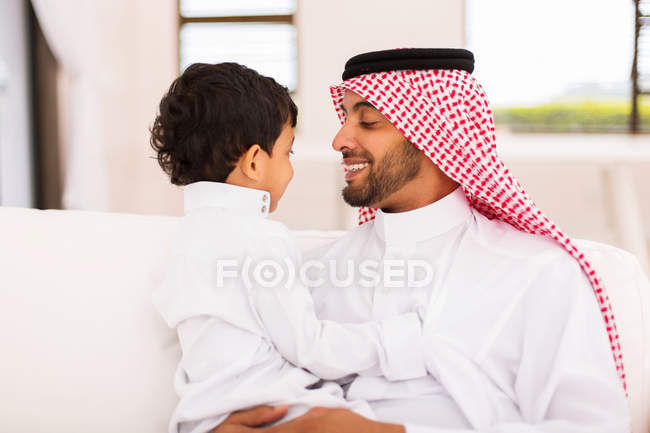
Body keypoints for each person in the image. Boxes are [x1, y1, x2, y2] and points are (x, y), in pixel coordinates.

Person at [213, 49, 635, 433]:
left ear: (436, 132)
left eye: (368, 119)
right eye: (344, 118)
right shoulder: (313, 271)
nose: (339, 139)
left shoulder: (537, 272)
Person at [149, 62, 429, 433]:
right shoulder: (259, 237)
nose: (290, 169)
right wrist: (398, 340)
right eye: (287, 153)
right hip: (278, 410)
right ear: (253, 161)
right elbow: (309, 347)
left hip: (206, 416)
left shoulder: (187, 238)